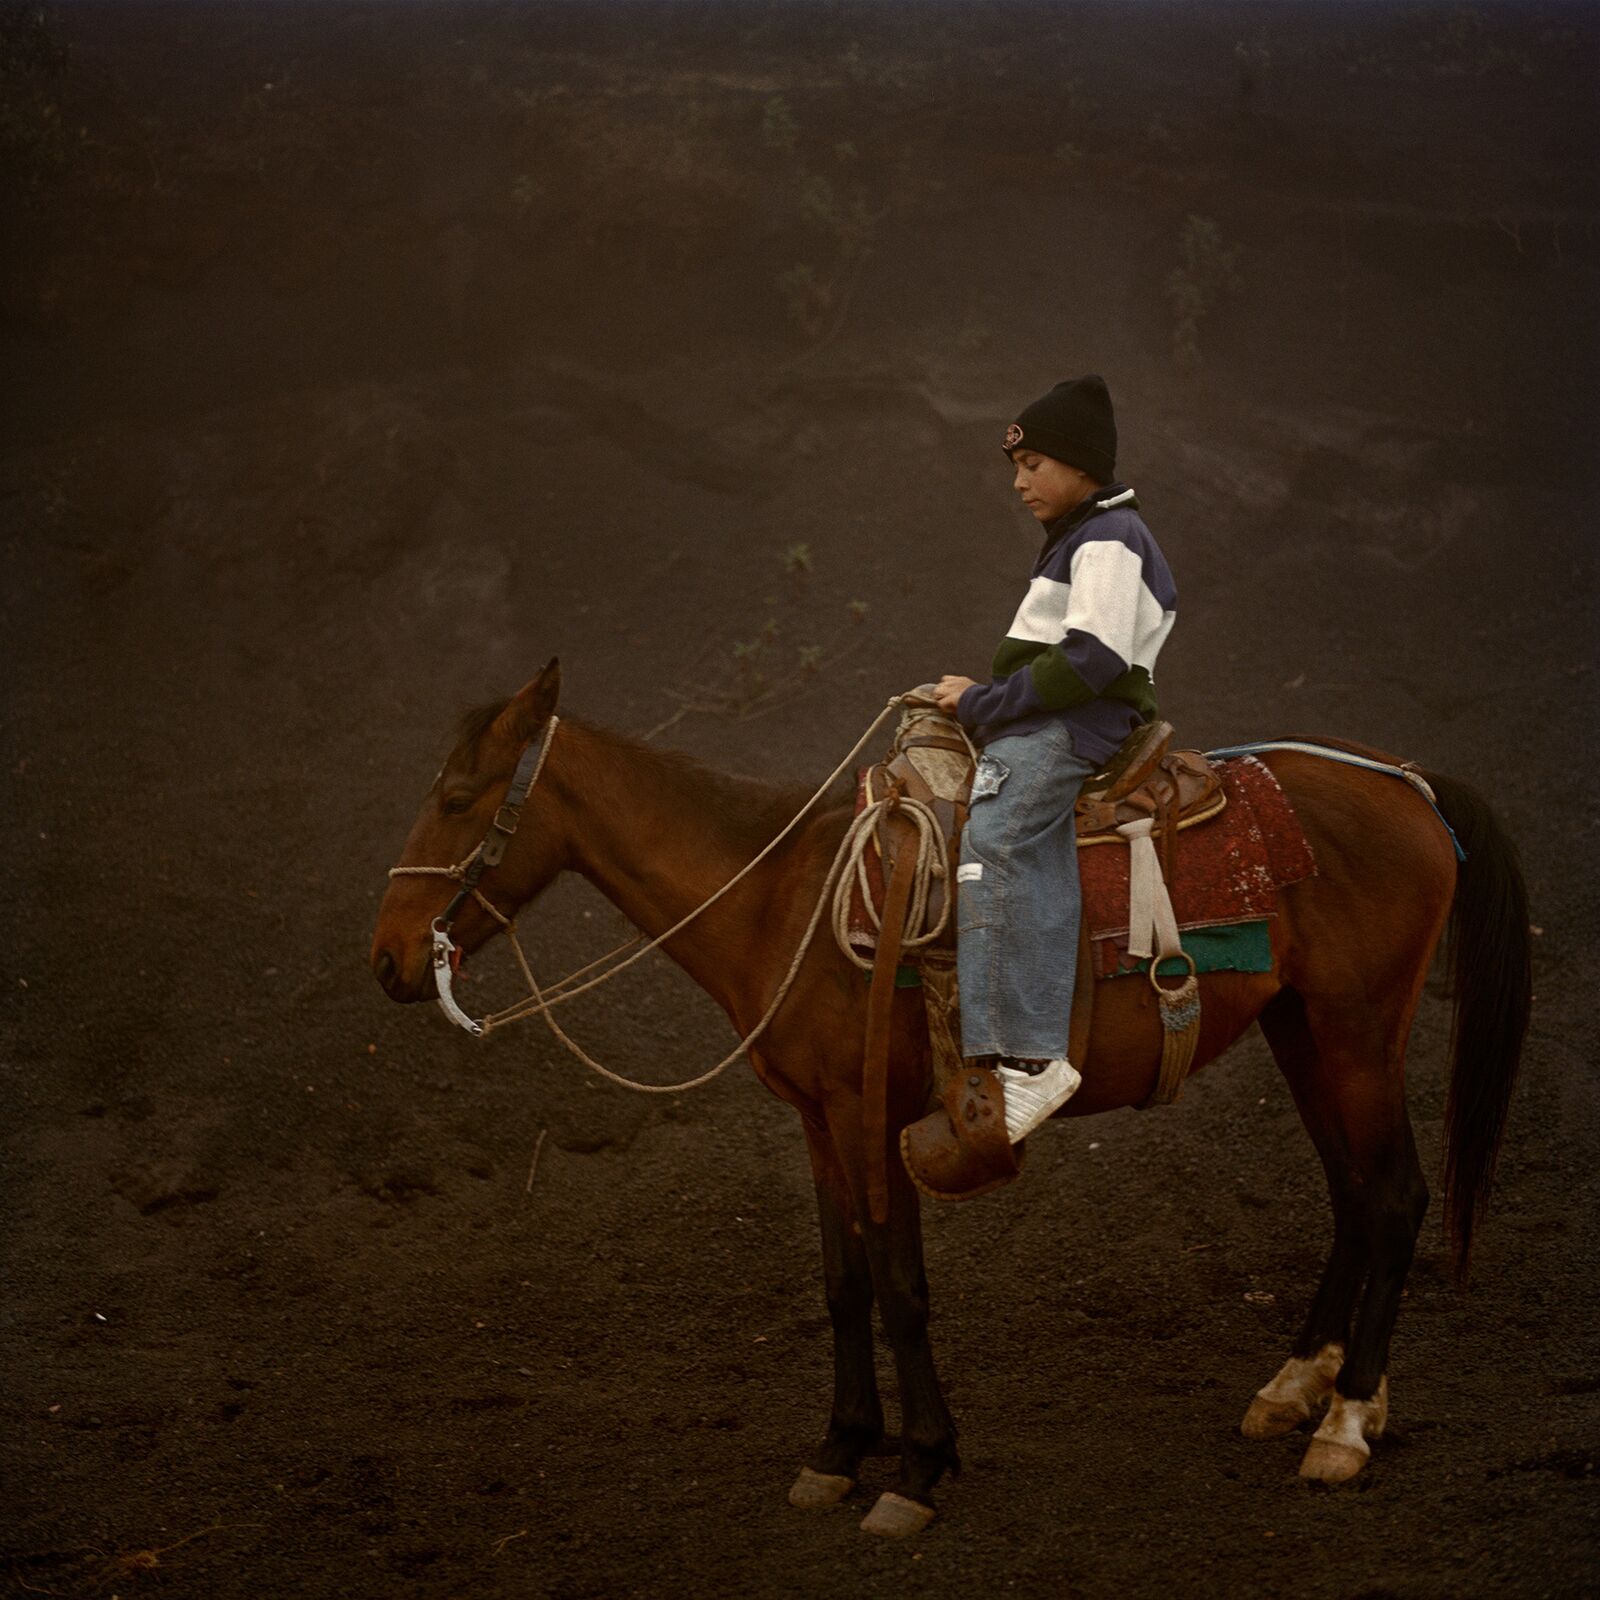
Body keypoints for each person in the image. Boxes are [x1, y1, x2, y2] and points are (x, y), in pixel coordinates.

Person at [933, 374, 1177, 1144]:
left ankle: (1034, 1058)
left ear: (1080, 465)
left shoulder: (1109, 539)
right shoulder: (1084, 539)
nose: (1019, 482)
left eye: (1033, 463)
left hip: (1074, 727)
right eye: (1017, 466)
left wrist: (982, 704)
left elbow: (1093, 660)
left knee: (1000, 839)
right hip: (1058, 719)